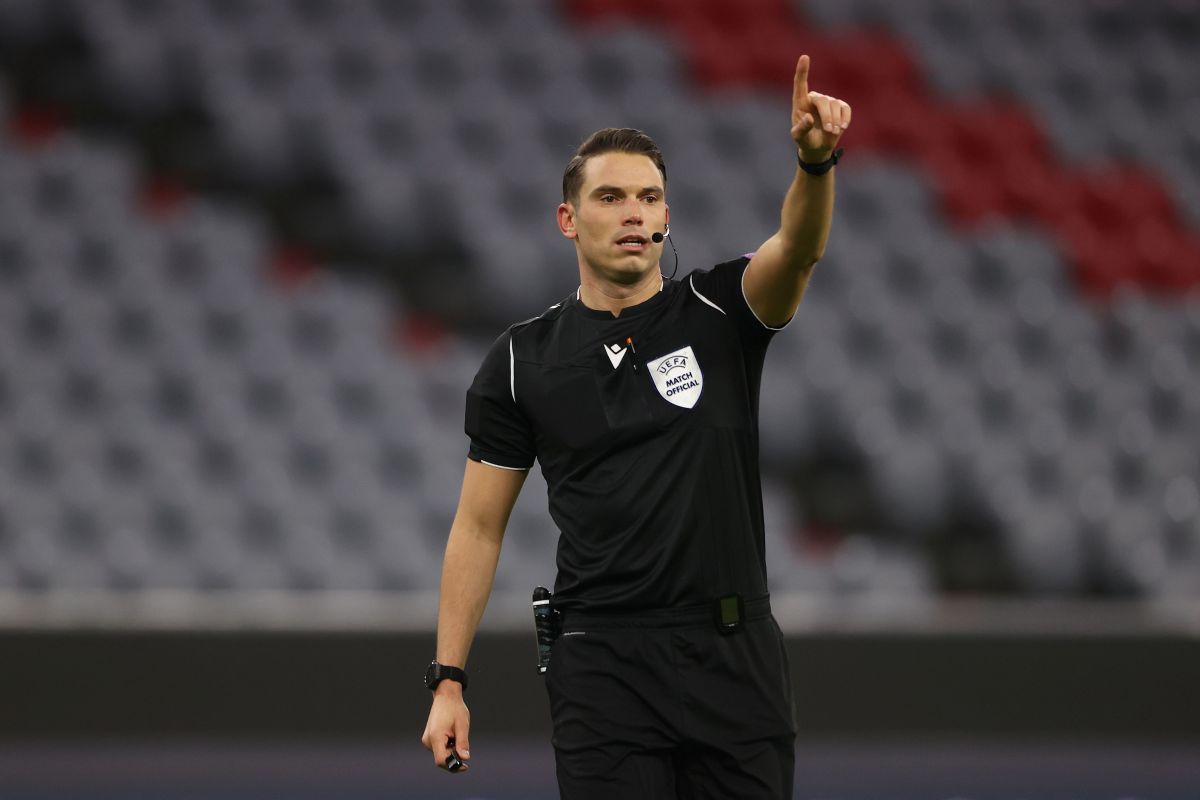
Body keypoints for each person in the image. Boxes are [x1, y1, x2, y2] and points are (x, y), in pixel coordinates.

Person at [421, 54, 850, 799]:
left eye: (650, 198)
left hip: (732, 655)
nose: (633, 213)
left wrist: (816, 165)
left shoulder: (723, 313)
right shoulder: (521, 361)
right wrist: (448, 681)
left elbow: (800, 248)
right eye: (611, 196)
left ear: (667, 218)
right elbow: (478, 528)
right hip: (603, 662)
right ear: (568, 220)